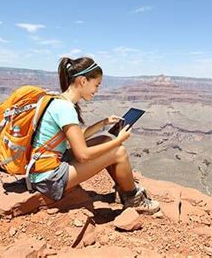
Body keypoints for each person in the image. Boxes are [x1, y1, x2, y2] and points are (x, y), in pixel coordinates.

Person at [29, 56, 160, 214]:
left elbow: (77, 137)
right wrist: (119, 140)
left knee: (104, 139)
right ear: (83, 81)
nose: (97, 91)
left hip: (46, 167)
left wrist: (103, 123)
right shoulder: (66, 109)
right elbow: (83, 155)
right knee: (119, 151)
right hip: (49, 179)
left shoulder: (58, 101)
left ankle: (123, 191)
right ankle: (134, 199)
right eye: (96, 85)